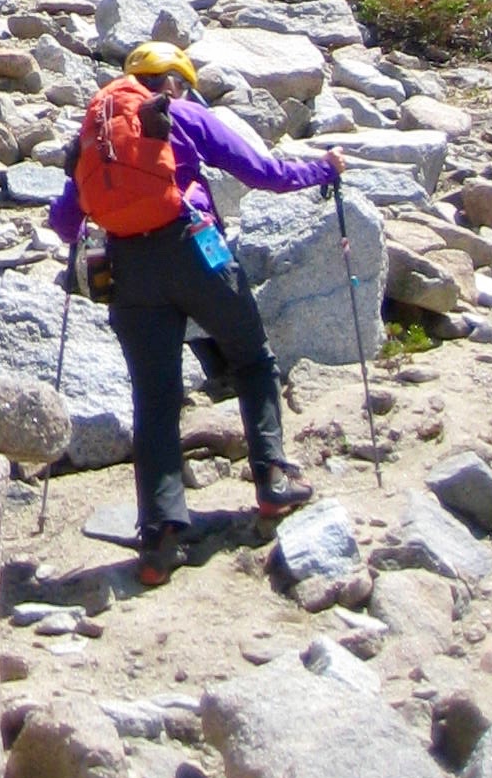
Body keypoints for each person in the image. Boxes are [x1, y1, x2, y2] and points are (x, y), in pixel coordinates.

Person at [49, 40, 342, 587]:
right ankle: (272, 480)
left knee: (154, 401)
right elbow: (262, 172)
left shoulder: (96, 141)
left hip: (130, 271)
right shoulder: (181, 114)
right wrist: (322, 171)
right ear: (175, 81)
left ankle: (159, 541)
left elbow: (66, 225)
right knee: (252, 359)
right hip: (195, 247)